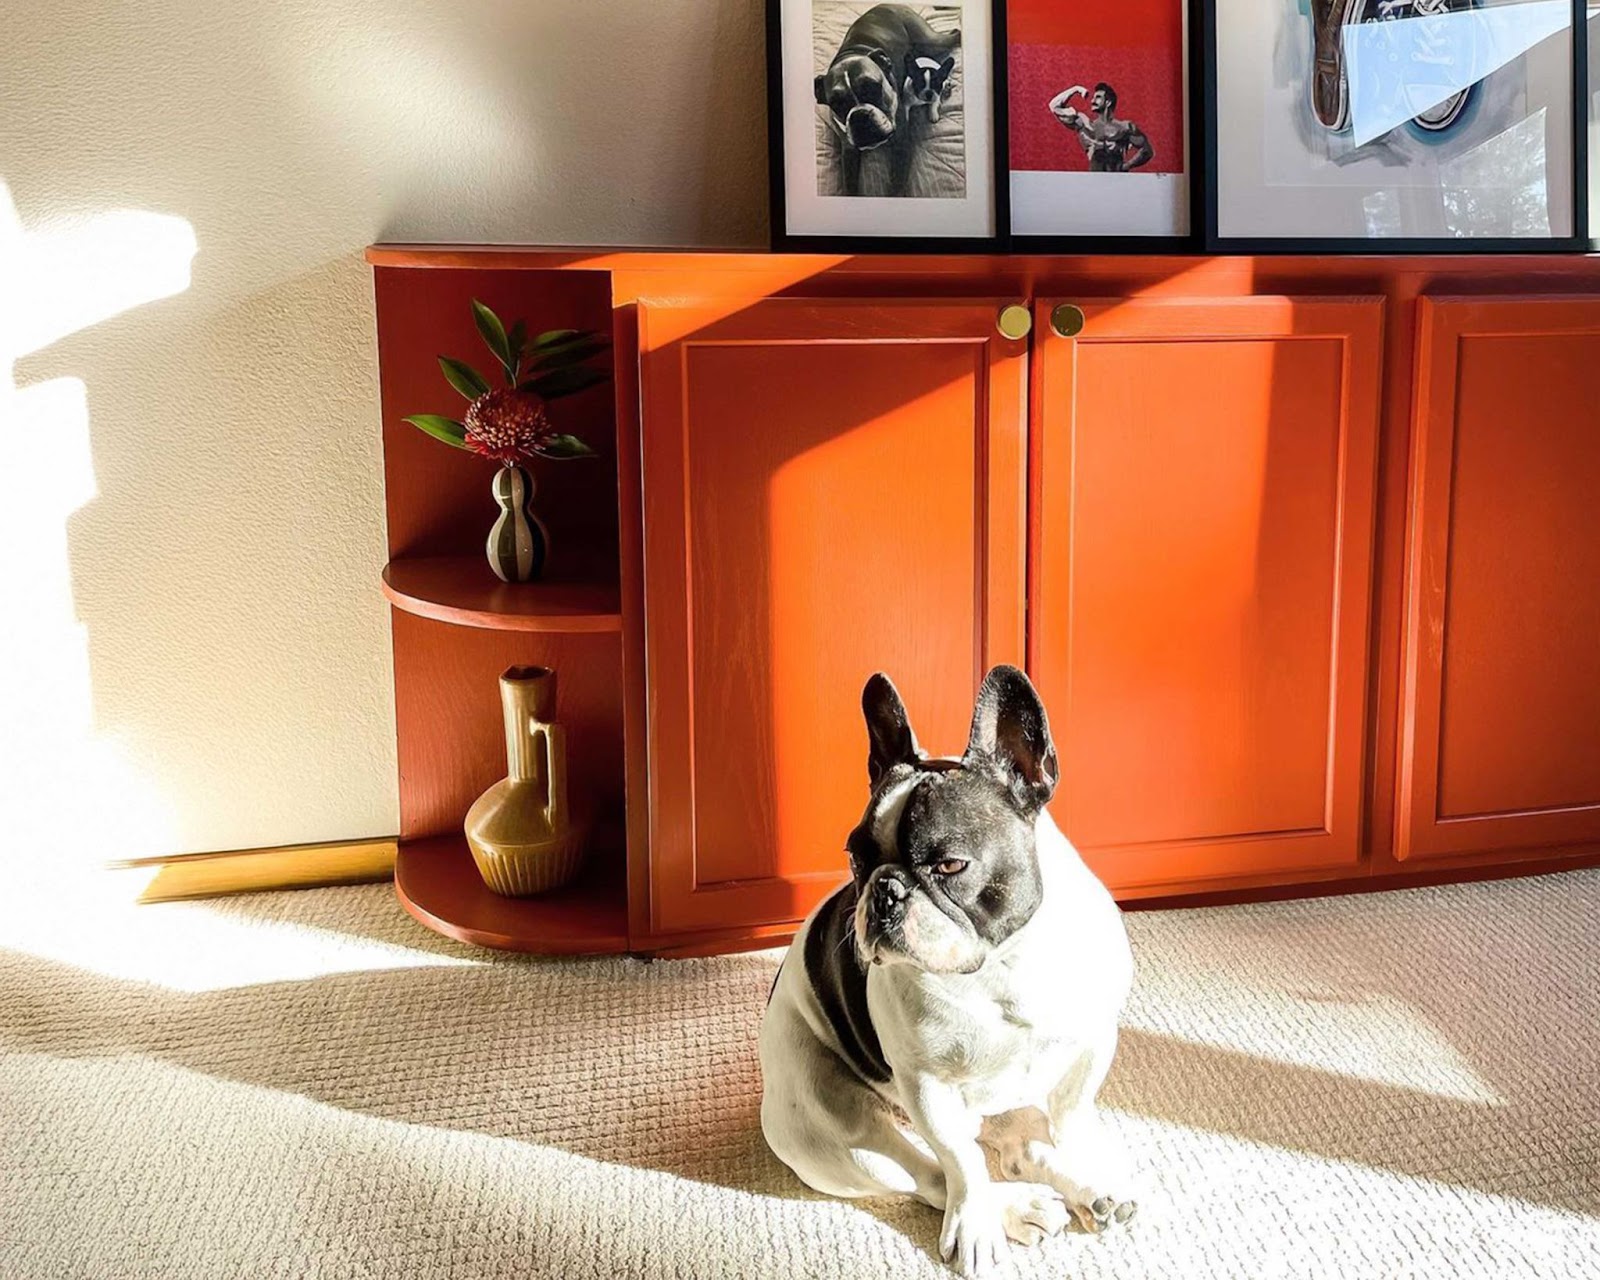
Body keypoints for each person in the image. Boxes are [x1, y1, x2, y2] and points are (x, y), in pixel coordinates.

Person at [1048, 82, 1153, 172]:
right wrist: (1076, 89)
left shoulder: (1125, 127)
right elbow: (1054, 106)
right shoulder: (1085, 124)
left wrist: (1127, 166)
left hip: (1119, 181)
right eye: (1093, 97)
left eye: (1098, 97)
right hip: (1094, 181)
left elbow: (1147, 150)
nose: (1092, 101)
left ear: (1108, 102)